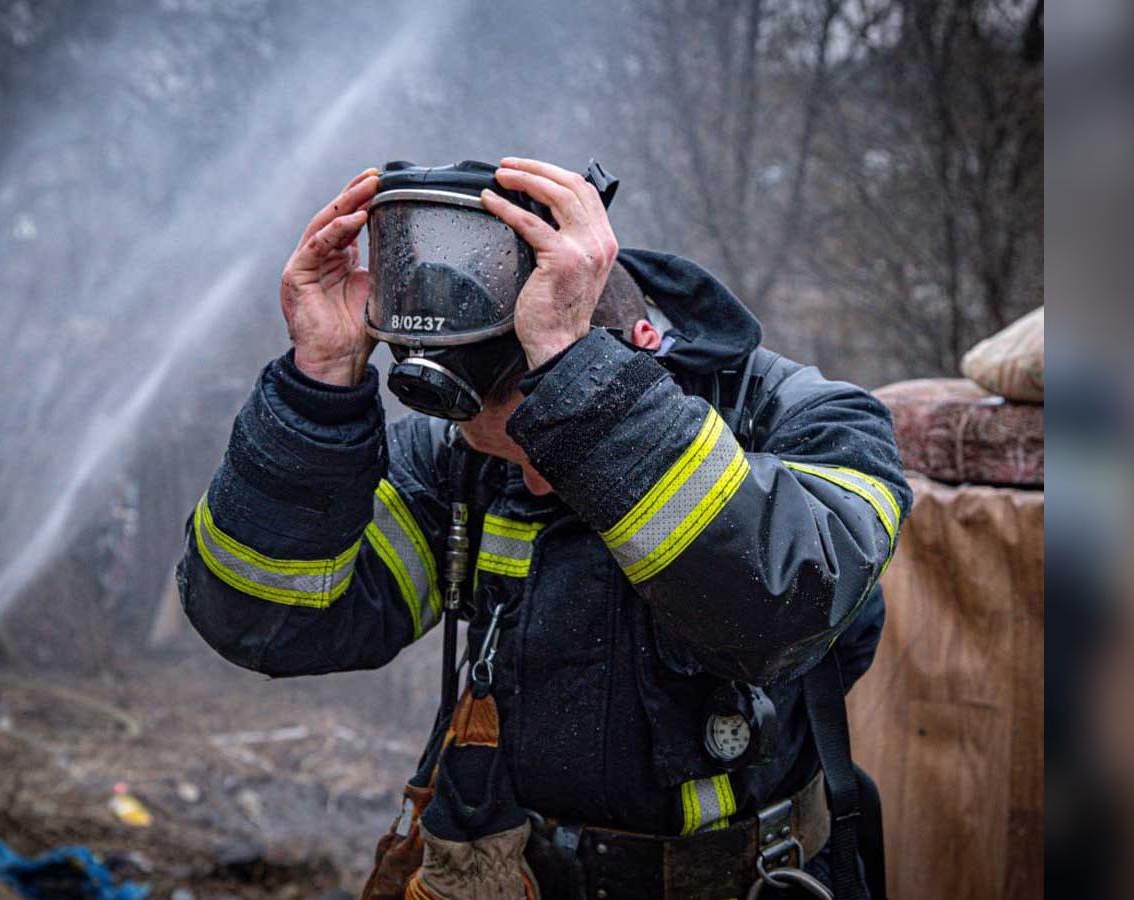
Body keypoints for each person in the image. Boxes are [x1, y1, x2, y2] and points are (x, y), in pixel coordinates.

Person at [177, 158, 909, 899]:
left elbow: (781, 611)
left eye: (545, 454)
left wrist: (578, 391)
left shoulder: (805, 418)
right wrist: (318, 389)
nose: (526, 481)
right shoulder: (455, 458)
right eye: (503, 453)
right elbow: (267, 619)